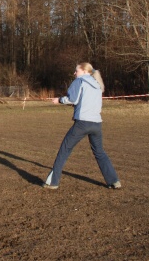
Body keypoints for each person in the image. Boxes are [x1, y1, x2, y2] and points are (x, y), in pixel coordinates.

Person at [43, 62, 121, 190]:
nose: (74, 73)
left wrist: (59, 100)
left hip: (82, 123)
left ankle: (53, 182)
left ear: (85, 71)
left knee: (64, 150)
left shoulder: (79, 81)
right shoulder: (97, 84)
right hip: (96, 124)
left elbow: (72, 99)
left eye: (76, 71)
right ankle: (114, 180)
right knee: (100, 152)